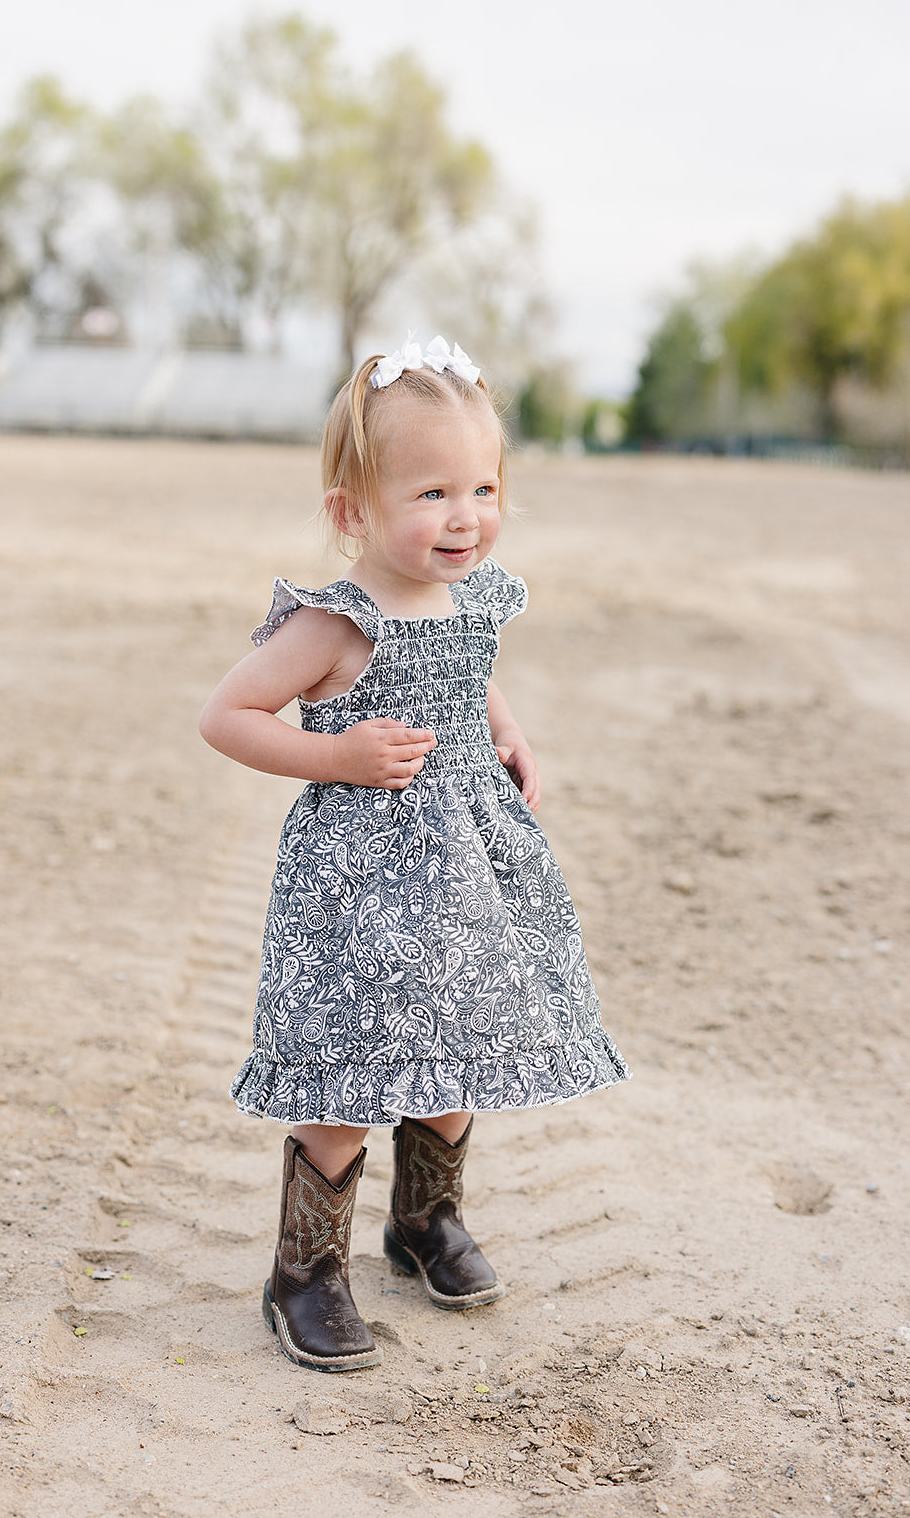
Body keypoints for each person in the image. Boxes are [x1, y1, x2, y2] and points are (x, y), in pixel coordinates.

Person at [199, 335, 628, 1373]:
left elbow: (471, 674)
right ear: (352, 510)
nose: (464, 515)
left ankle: (423, 1220)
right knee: (352, 1075)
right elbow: (228, 715)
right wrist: (335, 752)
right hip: (359, 886)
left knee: (457, 1049)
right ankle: (303, 1272)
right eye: (431, 491)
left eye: (482, 487)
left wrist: (508, 732)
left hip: (466, 877)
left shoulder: (471, 597)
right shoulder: (335, 621)